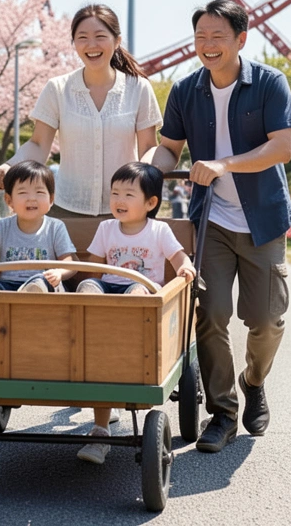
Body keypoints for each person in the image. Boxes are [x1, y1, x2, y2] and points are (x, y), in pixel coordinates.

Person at [148, 0, 291, 454]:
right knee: (209, 318)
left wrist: (222, 164)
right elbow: (169, 148)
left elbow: (282, 148)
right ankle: (224, 414)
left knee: (266, 319)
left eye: (217, 37)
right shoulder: (185, 89)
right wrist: (145, 178)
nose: (207, 46)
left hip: (263, 221)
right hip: (209, 221)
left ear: (240, 39)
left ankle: (253, 381)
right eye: (200, 37)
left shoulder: (269, 83)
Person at [0, 5, 161, 220]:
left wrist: (142, 181)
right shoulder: (57, 89)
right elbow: (38, 145)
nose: (91, 45)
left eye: (100, 36)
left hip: (126, 210)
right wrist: (9, 166)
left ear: (117, 41)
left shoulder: (139, 88)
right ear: (74, 44)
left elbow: (148, 148)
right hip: (67, 208)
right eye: (82, 38)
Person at [74, 163, 197, 464]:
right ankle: (101, 430)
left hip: (139, 293)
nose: (119, 200)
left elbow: (178, 255)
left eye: (129, 194)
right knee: (89, 286)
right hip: (108, 294)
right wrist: (88, 283)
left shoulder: (158, 230)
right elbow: (94, 267)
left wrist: (185, 265)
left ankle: (119, 337)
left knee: (139, 294)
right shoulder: (106, 228)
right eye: (115, 193)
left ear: (151, 203)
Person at [0, 161, 77, 292]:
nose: (31, 198)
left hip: (43, 283)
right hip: (7, 285)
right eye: (23, 193)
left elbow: (70, 263)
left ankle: (32, 294)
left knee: (40, 284)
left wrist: (59, 273)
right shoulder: (1, 227)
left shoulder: (55, 227)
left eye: (39, 192)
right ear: (9, 200)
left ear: (51, 200)